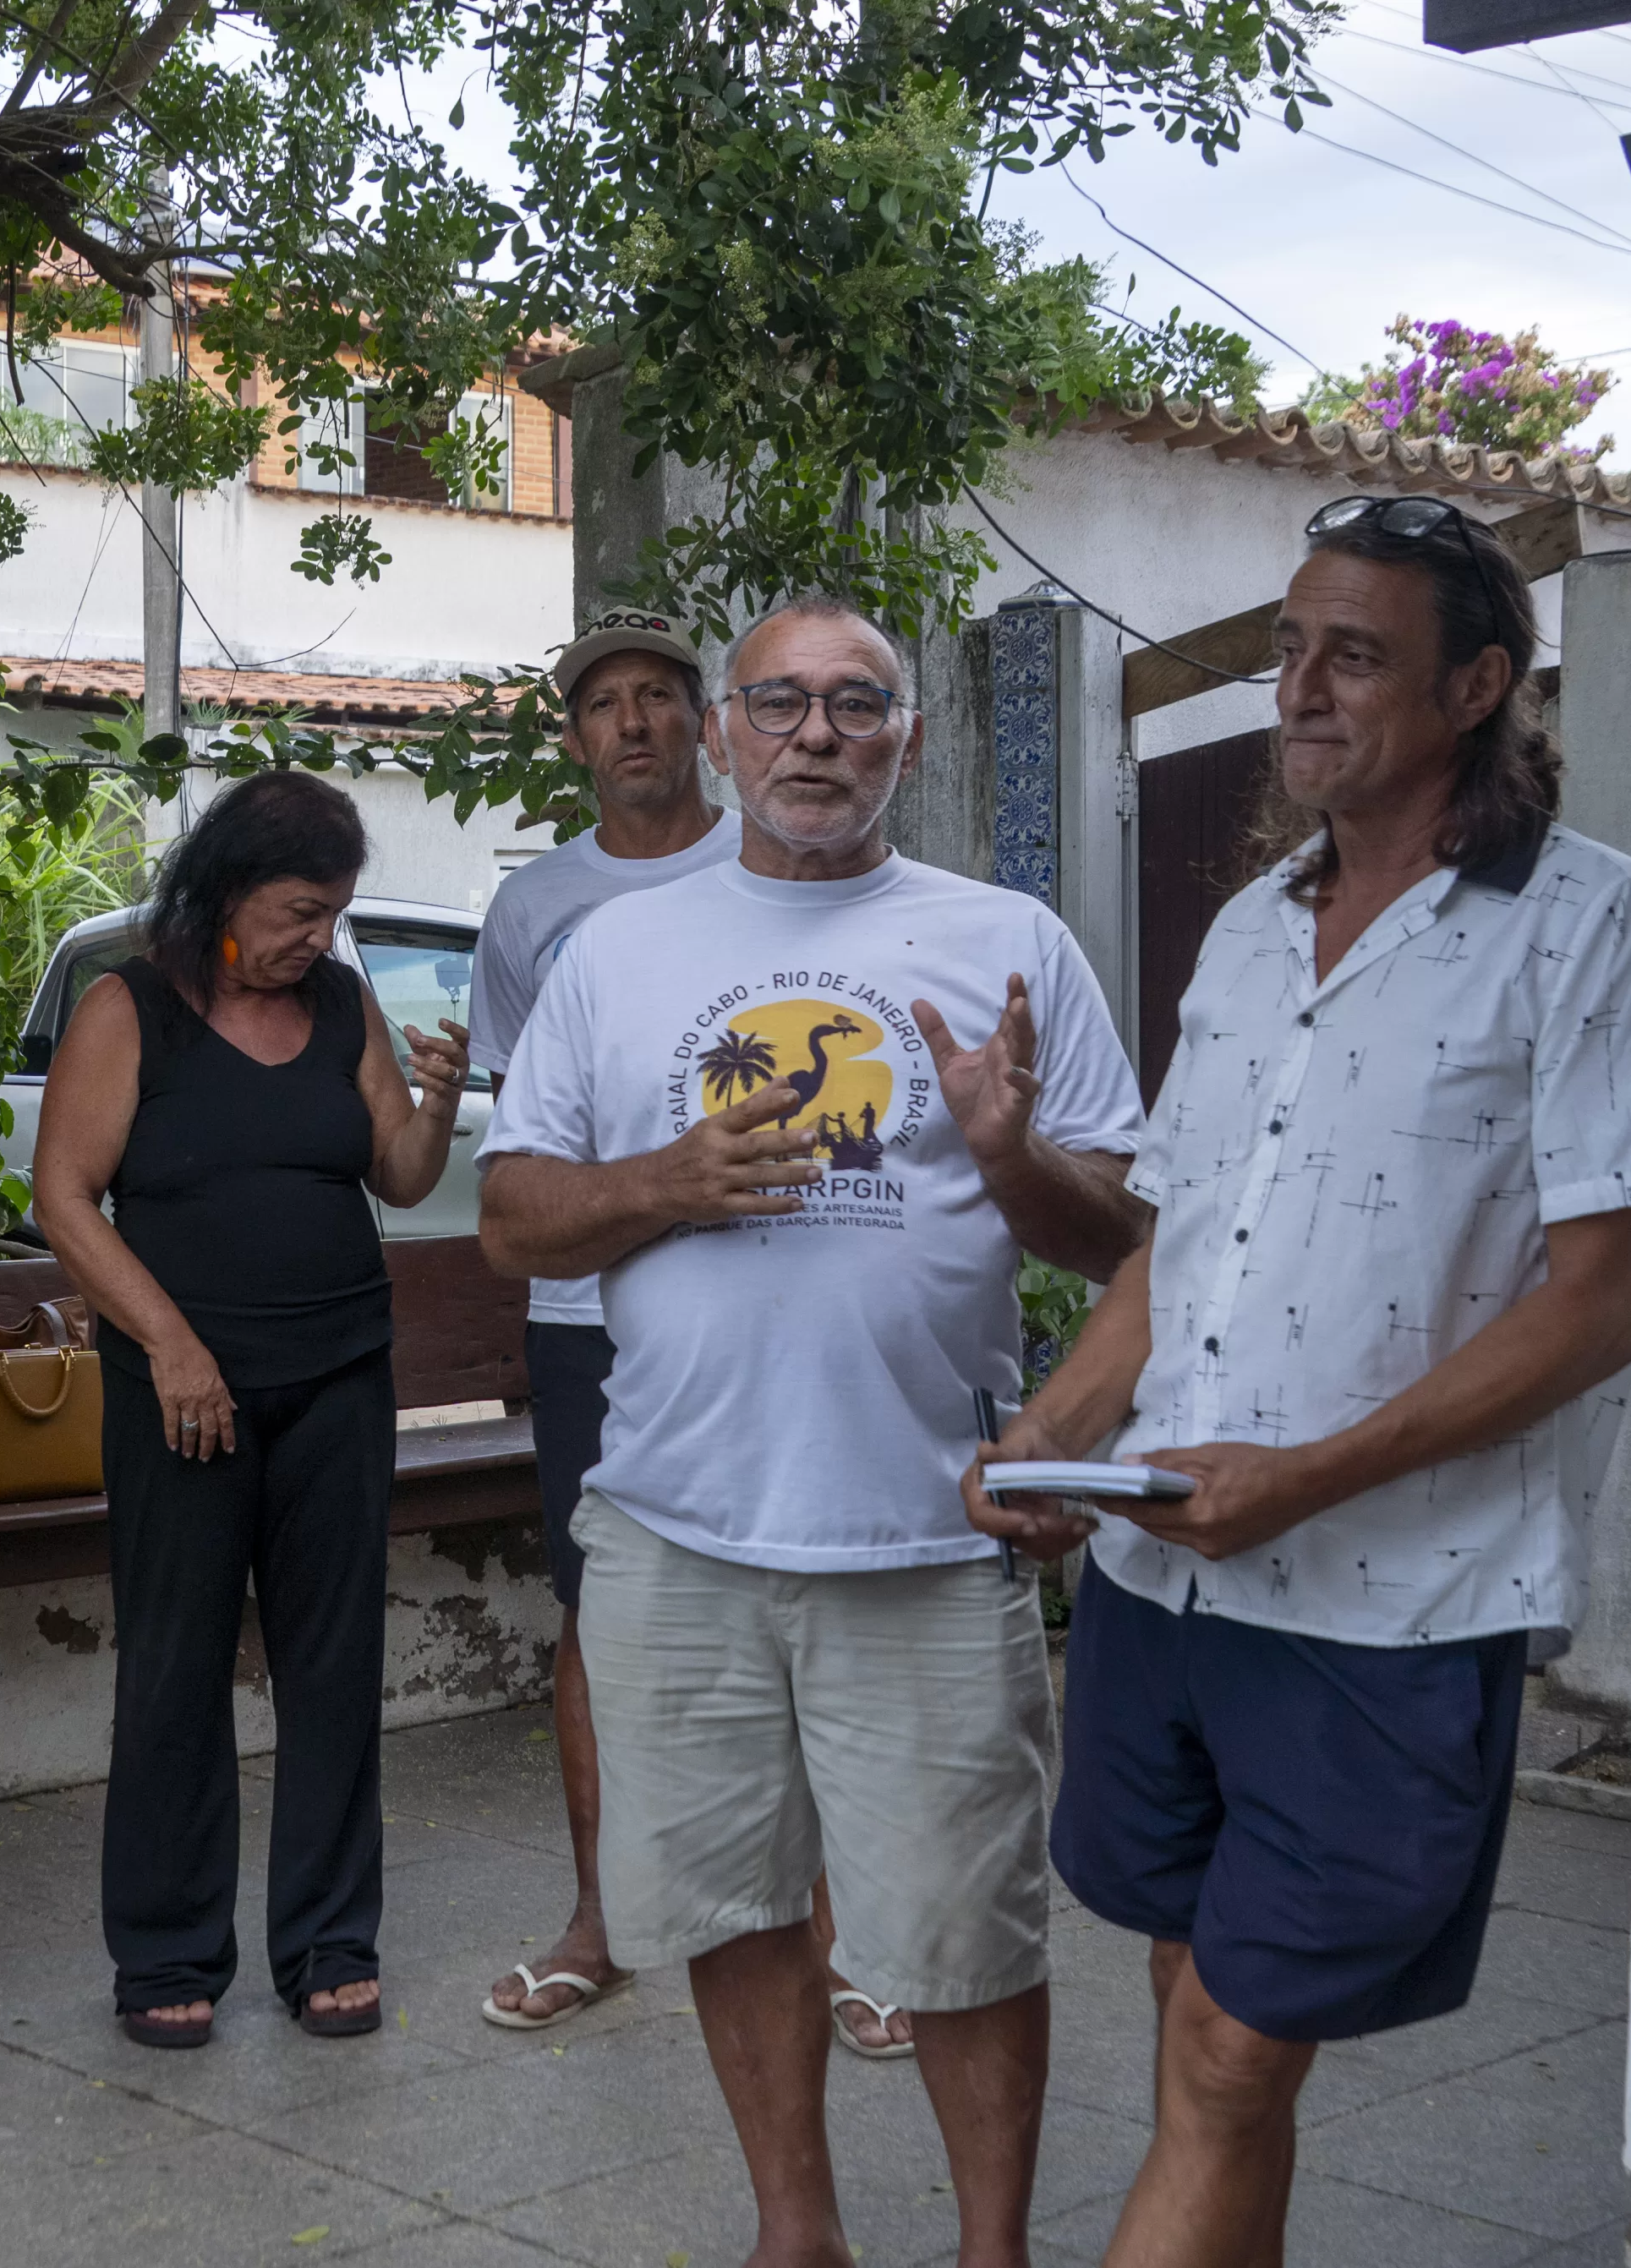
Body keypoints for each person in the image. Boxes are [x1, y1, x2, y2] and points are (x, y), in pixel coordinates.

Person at [966, 499, 1631, 2268]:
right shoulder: (1243, 933)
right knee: (1197, 2021)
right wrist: (1057, 1443)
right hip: (1160, 1579)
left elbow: (1601, 1303)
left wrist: (1308, 1474)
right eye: (1287, 646)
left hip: (1386, 1600)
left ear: (1474, 690)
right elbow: (1176, 1249)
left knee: (1223, 2046)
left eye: (1349, 656)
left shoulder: (1585, 926)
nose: (1295, 687)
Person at [480, 593, 1147, 2268]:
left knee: (962, 1934)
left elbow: (1128, 1237)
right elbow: (507, 1216)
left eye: (856, 707)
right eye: (775, 705)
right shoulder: (611, 956)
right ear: (721, 735)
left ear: (906, 742)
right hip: (674, 1531)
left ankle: (988, 2249)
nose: (815, 737)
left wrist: (1006, 1155)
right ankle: (798, 2235)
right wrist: (657, 1184)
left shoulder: (1005, 939)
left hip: (927, 1533)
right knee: (726, 1903)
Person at [31, 771, 472, 2049]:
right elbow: (65, 1198)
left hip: (339, 1374)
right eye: (298, 911)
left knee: (333, 1665)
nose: (318, 938)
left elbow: (398, 1167)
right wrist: (170, 1341)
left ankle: (331, 1937)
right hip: (182, 1392)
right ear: (227, 892)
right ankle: (166, 1948)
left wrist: (437, 1097)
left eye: (331, 914)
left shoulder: (342, 1003)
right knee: (174, 1666)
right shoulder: (132, 1009)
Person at [468, 607, 737, 2034]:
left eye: (658, 695)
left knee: (801, 1592)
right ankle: (604, 1913)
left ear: (704, 720)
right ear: (575, 737)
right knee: (598, 1609)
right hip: (585, 1313)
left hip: (760, 1293)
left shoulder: (772, 861)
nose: (632, 721)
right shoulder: (533, 911)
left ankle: (841, 1934)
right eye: (605, 703)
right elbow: (528, 1145)